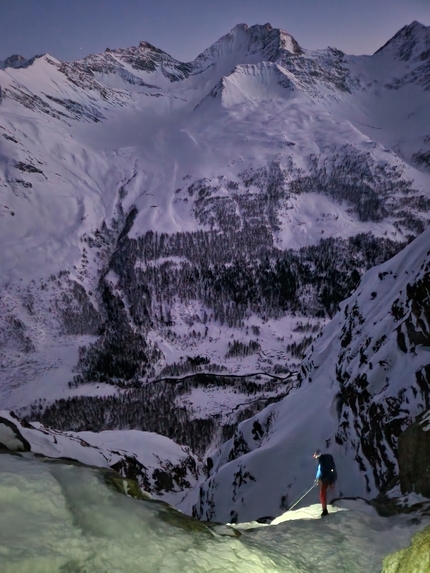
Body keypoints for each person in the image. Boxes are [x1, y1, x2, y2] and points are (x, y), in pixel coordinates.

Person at [313, 450, 337, 516]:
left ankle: (325, 510)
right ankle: (332, 504)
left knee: (322, 494)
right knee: (325, 493)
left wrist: (318, 479)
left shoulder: (323, 462)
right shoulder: (326, 459)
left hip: (326, 479)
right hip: (329, 478)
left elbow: (321, 471)